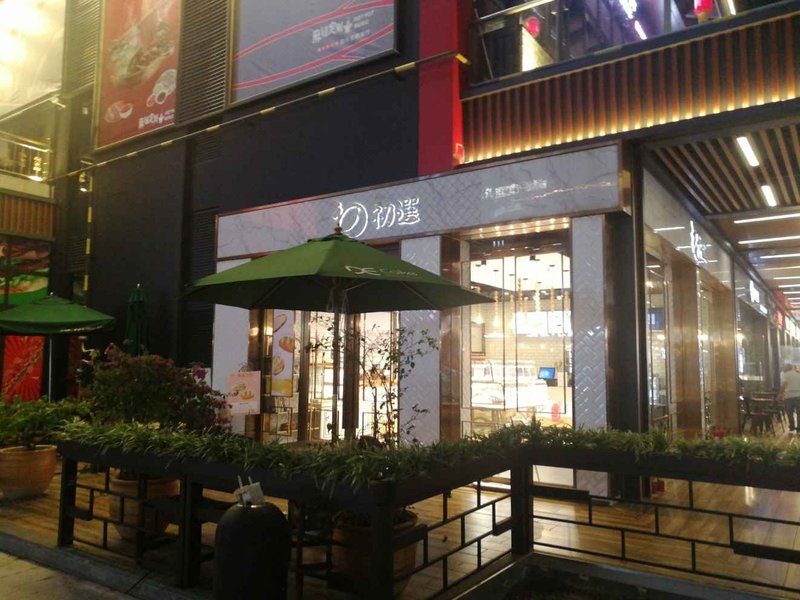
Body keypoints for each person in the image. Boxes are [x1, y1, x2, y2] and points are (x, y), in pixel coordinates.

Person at [778, 363, 800, 433]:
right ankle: (799, 428)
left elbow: (784, 384)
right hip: (798, 395)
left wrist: (780, 394)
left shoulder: (785, 375)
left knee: (789, 412)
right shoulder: (798, 374)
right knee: (799, 413)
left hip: (789, 396)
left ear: (786, 368)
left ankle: (792, 427)